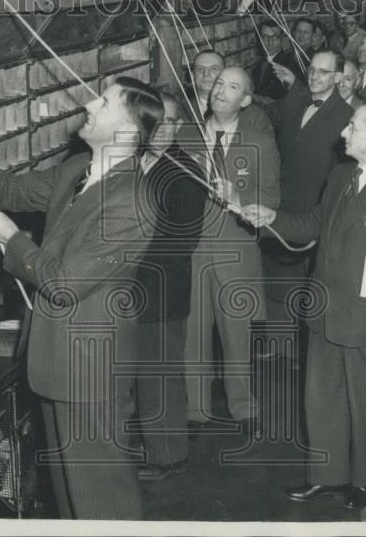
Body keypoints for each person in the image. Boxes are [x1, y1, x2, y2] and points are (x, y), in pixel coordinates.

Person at [0, 76, 163, 520]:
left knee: (101, 499)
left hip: (90, 370)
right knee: (72, 498)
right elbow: (12, 192)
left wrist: (12, 239)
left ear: (129, 133)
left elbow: (65, 284)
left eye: (105, 102)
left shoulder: (135, 201)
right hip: (57, 361)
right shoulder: (77, 170)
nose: (90, 104)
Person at [241, 103, 366, 511]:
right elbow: (312, 223)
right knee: (321, 399)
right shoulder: (342, 176)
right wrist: (273, 217)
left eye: (351, 126)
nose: (343, 132)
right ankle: (326, 476)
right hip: (325, 310)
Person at [185, 66, 280, 440]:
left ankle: (244, 406)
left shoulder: (260, 141)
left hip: (235, 249)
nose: (221, 90)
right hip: (191, 251)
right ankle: (195, 408)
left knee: (237, 338)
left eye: (233, 87)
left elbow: (271, 199)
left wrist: (240, 201)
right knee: (192, 334)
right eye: (218, 83)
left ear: (245, 101)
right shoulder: (185, 136)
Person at [133, 92, 207, 481]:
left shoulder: (185, 172)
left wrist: (126, 261)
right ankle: (141, 444)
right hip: (125, 291)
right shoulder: (127, 161)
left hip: (159, 290)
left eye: (171, 122)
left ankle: (168, 456)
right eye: (156, 121)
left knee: (159, 378)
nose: (163, 129)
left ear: (180, 127)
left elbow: (180, 240)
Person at [261, 51, 354, 354]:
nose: (315, 77)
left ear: (339, 78)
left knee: (306, 284)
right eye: (312, 70)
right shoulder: (296, 100)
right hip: (280, 203)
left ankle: (302, 350)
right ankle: (277, 343)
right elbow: (266, 117)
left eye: (324, 73)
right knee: (276, 277)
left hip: (314, 209)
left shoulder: (348, 117)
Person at [252, 20, 308, 100]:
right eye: (265, 37)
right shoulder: (260, 63)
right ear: (260, 39)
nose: (270, 42)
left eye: (275, 37)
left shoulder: (289, 65)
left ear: (281, 39)